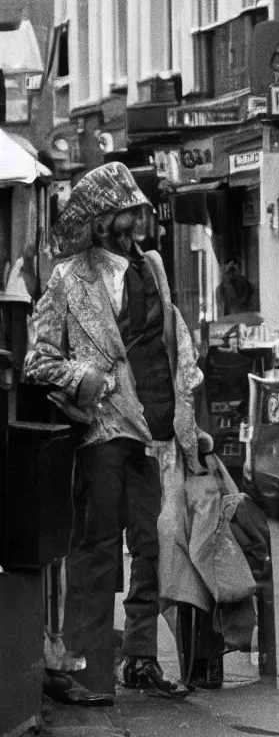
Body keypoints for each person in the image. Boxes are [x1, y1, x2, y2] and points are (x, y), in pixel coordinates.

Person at [26, 162, 210, 701]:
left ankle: (141, 660)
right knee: (98, 547)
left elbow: (174, 342)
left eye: (138, 213)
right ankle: (83, 671)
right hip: (104, 431)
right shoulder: (67, 278)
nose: (137, 223)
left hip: (155, 430)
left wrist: (187, 418)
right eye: (128, 213)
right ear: (103, 220)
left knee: (150, 547)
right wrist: (92, 382)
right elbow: (40, 360)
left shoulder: (152, 267)